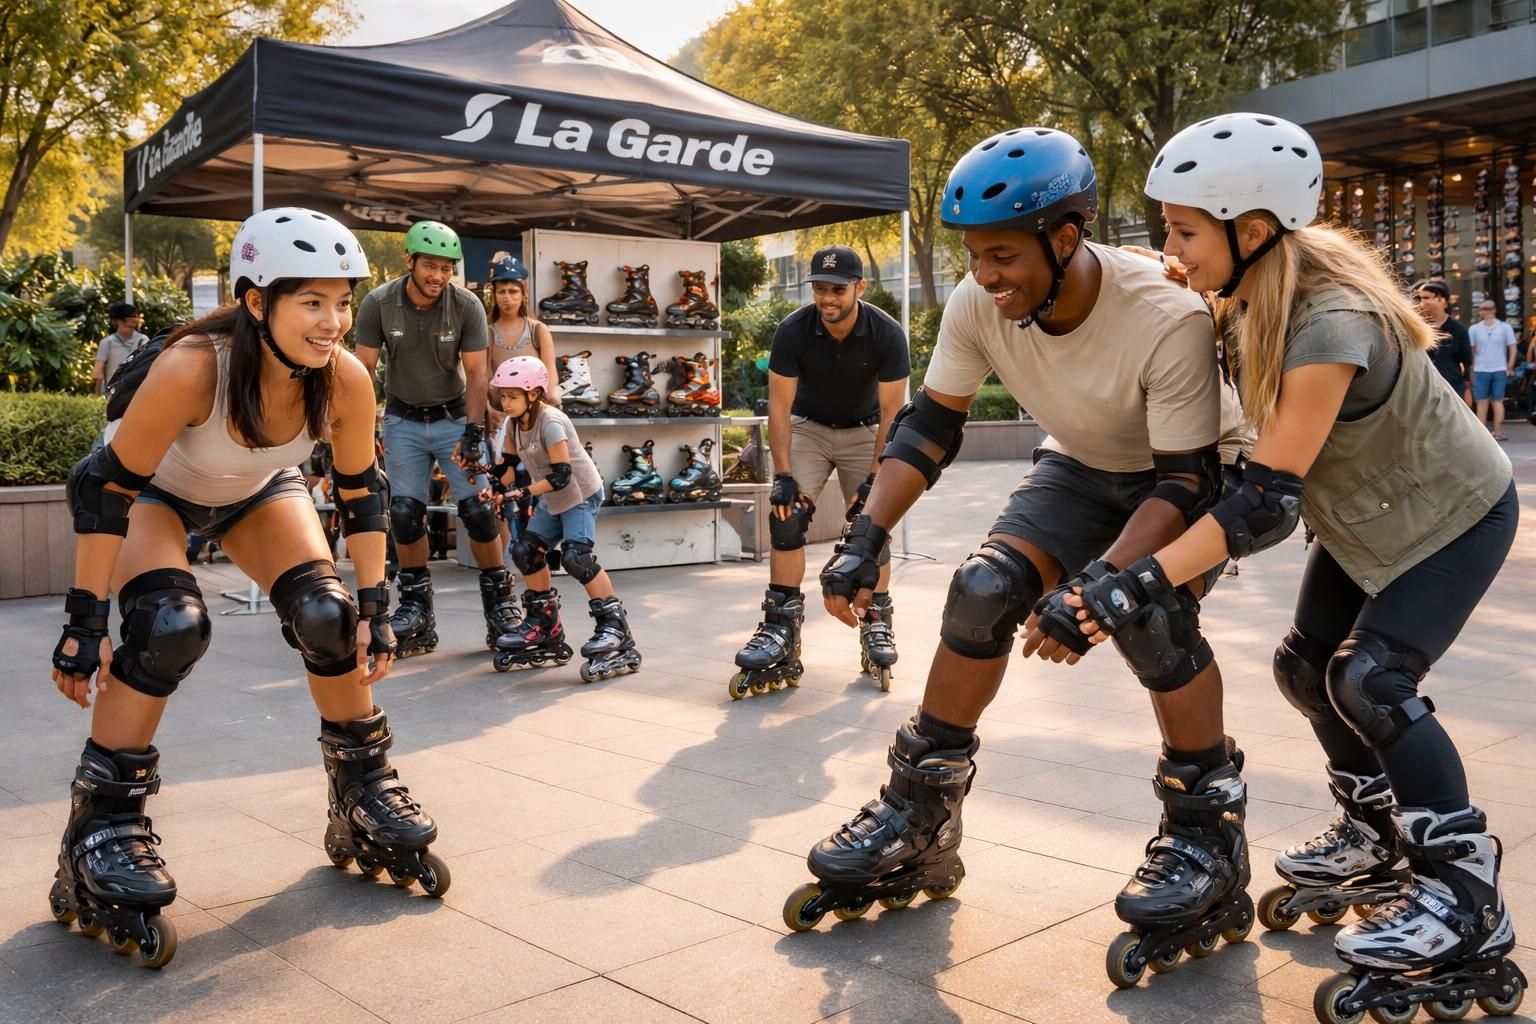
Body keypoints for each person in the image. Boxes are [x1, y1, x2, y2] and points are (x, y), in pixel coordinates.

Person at [1068, 113, 1521, 1015]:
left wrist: (1141, 581)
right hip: (1364, 522)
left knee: (1372, 680)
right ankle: (1374, 834)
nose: (1172, 250)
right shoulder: (1252, 289)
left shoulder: (1330, 324)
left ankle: (1465, 896)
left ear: (1254, 231)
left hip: (1454, 517)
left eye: (1186, 231)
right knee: (1303, 667)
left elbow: (1263, 500)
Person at [785, 129, 1254, 984]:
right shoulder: (976, 301)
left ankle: (1205, 840)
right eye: (974, 255)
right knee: (978, 591)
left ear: (1065, 237)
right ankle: (918, 816)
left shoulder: (1165, 312)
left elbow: (1182, 482)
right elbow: (931, 425)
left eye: (1003, 255)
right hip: (1078, 465)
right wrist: (863, 537)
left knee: (1147, 615)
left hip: (1183, 477)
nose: (985, 275)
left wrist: (1102, 590)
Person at [47, 208, 448, 969]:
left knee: (328, 617)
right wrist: (84, 622)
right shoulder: (198, 365)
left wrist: (375, 608)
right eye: (310, 302)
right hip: (147, 494)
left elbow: (362, 493)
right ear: (257, 301)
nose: (331, 322)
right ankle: (100, 825)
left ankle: (362, 790)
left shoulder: (346, 378)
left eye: (341, 301)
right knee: (170, 624)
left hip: (255, 489)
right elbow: (107, 492)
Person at [730, 244, 909, 698]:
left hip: (867, 431)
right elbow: (780, 406)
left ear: (859, 288)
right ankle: (779, 628)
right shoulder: (793, 331)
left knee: (874, 524)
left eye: (837, 289)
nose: (827, 298)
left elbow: (892, 413)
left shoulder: (887, 334)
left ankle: (876, 621)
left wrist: (875, 478)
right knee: (785, 516)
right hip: (808, 428)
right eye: (819, 288)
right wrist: (784, 476)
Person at [354, 221, 519, 656]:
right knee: (406, 514)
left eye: (447, 268)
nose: (438, 276)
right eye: (430, 266)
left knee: (479, 512)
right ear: (408, 261)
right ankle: (416, 611)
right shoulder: (378, 304)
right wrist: (358, 430)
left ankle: (500, 605)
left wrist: (472, 430)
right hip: (402, 421)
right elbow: (362, 371)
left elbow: (479, 371)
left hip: (452, 418)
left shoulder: (465, 305)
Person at [486, 356, 640, 683]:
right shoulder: (514, 424)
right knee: (525, 551)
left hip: (580, 494)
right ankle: (544, 624)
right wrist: (491, 482)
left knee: (576, 558)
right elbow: (509, 466)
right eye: (503, 396)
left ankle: (615, 629)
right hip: (554, 498)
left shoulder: (551, 422)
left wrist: (519, 493)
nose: (506, 402)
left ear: (534, 394)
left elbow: (561, 476)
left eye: (513, 396)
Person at [484, 253, 557, 557]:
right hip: (500, 424)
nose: (507, 297)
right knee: (502, 493)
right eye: (501, 290)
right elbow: (481, 379)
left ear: (524, 293)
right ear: (494, 293)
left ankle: (542, 550)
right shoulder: (485, 331)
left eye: (513, 290)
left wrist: (551, 412)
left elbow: (551, 378)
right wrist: (489, 412)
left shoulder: (538, 330)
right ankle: (500, 564)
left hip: (536, 422)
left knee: (543, 489)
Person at [1412, 279, 1472, 406]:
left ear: (1443, 301)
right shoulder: (1416, 328)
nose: (1422, 302)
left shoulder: (1458, 329)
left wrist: (1468, 389)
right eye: (1420, 298)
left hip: (1452, 390)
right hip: (1423, 390)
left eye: (1427, 297)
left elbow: (1468, 362)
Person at [1468, 299, 1519, 440]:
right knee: (1490, 402)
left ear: (1494, 310)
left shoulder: (1503, 327)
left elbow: (1512, 348)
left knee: (1491, 401)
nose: (1486, 311)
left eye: (1487, 309)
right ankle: (1491, 433)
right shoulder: (1476, 329)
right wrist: (1471, 368)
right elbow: (1471, 351)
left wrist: (1509, 365)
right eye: (1484, 309)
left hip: (1494, 368)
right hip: (1485, 368)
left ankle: (1492, 433)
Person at [92, 302, 148, 395]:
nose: (133, 319)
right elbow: (98, 371)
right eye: (130, 316)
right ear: (117, 321)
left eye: (135, 316)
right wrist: (98, 395)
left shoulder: (143, 340)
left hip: (136, 392)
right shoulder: (107, 342)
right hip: (113, 393)